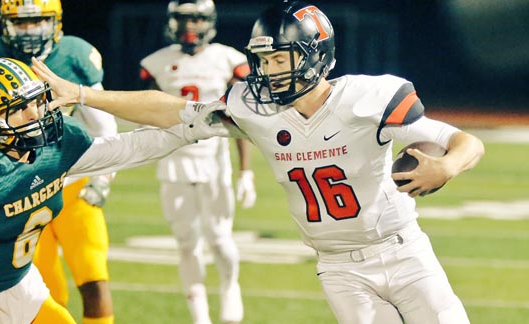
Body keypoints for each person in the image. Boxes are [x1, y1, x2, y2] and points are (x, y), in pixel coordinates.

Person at [35, 1, 486, 323]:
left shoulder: (369, 98)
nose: (267, 70)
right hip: (338, 266)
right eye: (263, 60)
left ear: (314, 56)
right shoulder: (253, 107)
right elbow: (167, 112)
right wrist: (81, 95)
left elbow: (464, 141)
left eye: (277, 58)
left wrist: (446, 167)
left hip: (403, 251)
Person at [0, 57, 226, 324]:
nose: (34, 114)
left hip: (16, 286)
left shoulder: (53, 151)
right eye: (18, 108)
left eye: (36, 101)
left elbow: (128, 148)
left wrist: (189, 131)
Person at [0, 1, 119, 323]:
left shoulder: (73, 54)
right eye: (20, 23)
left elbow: (103, 125)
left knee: (93, 276)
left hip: (70, 182)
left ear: (55, 22)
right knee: (44, 287)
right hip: (16, 190)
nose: (29, 31)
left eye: (37, 21)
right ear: (4, 24)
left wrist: (104, 178)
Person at [138, 1, 255, 323]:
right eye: (183, 17)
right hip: (174, 160)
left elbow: (239, 118)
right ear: (172, 22)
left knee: (219, 238)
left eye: (197, 18)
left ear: (210, 21)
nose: (190, 24)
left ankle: (230, 286)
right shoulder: (157, 63)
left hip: (213, 159)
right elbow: (146, 110)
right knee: (187, 243)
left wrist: (246, 171)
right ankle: (199, 315)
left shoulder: (227, 58)